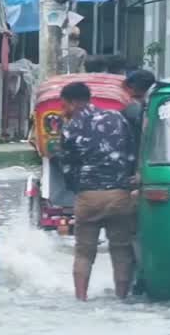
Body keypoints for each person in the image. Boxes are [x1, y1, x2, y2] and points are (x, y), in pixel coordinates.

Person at [57, 82, 136, 302]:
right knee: (121, 249)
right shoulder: (117, 118)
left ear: (73, 102)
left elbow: (67, 167)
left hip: (88, 196)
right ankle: (122, 297)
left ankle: (81, 298)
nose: (63, 111)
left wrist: (78, 189)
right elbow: (132, 153)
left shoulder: (70, 128)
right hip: (119, 195)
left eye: (64, 105)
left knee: (84, 252)